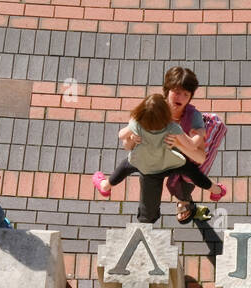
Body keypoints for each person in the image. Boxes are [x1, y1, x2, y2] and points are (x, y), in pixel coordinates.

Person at [91, 92, 214, 224]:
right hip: (170, 162)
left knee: (125, 167)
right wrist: (199, 134)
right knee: (191, 170)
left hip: (145, 165)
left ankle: (105, 186)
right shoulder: (172, 127)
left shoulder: (137, 124)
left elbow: (121, 135)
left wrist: (131, 136)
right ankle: (215, 190)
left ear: (141, 111)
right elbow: (190, 144)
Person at [159, 66, 228, 223]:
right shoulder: (155, 108)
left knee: (178, 185)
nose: (181, 98)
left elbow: (200, 156)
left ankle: (185, 202)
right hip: (163, 159)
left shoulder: (193, 117)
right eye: (177, 91)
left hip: (185, 162)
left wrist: (179, 142)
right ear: (167, 90)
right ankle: (214, 190)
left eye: (186, 94)